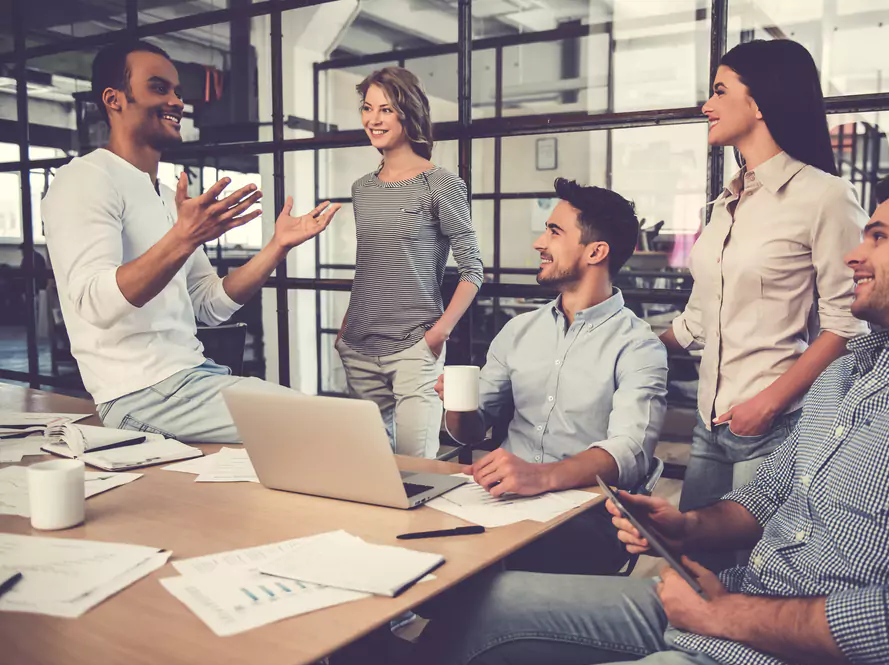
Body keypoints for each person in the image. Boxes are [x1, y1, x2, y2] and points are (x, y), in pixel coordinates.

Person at [417, 160, 889, 665]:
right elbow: (768, 496)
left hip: (771, 637)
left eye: (877, 237)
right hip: (734, 600)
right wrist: (686, 527)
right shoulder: (847, 372)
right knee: (485, 605)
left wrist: (725, 614)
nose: (853, 254)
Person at [41, 41, 338, 443]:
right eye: (159, 88)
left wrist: (276, 247)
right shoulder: (85, 179)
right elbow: (94, 303)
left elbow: (209, 305)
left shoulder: (165, 196)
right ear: (114, 100)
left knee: (334, 427)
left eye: (178, 91)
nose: (177, 101)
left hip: (192, 377)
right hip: (140, 393)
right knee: (331, 427)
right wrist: (182, 238)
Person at [658, 40, 870, 569]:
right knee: (692, 566)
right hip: (709, 422)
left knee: (755, 574)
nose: (706, 105)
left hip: (774, 425)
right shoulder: (726, 202)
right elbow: (698, 318)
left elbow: (848, 326)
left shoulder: (825, 196)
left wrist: (768, 404)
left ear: (758, 102)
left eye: (719, 91)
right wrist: (621, 346)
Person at [436, 178, 668, 576]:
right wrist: (459, 406)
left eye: (554, 232)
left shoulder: (639, 346)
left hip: (584, 513)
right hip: (499, 499)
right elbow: (471, 431)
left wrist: (540, 477)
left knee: (483, 570)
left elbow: (630, 452)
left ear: (596, 251)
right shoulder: (519, 330)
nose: (539, 243)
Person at [334, 66, 483, 459]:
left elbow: (472, 269)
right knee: (370, 467)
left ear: (408, 113)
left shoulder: (441, 184)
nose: (373, 119)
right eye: (368, 108)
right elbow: (371, 264)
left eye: (386, 109)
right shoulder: (362, 188)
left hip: (415, 349)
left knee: (417, 469)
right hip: (358, 347)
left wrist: (439, 333)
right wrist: (346, 329)